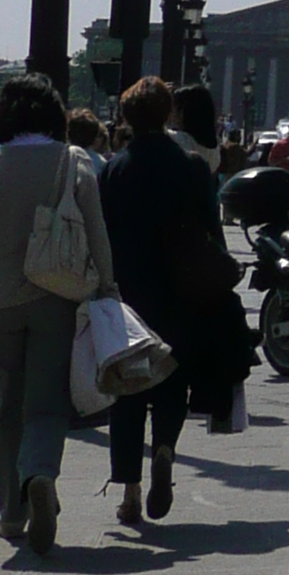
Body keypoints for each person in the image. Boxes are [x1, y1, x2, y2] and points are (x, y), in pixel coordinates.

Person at [0, 72, 116, 554]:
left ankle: (11, 514)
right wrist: (107, 287)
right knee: (45, 403)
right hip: (55, 298)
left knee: (8, 406)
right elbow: (97, 233)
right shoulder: (74, 162)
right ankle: (40, 473)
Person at [100, 77, 236, 529]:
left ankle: (131, 492)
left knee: (128, 387)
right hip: (180, 290)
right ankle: (165, 450)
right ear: (169, 115)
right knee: (172, 380)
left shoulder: (114, 169)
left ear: (126, 119)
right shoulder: (192, 167)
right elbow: (211, 232)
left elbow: (102, 234)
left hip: (129, 292)